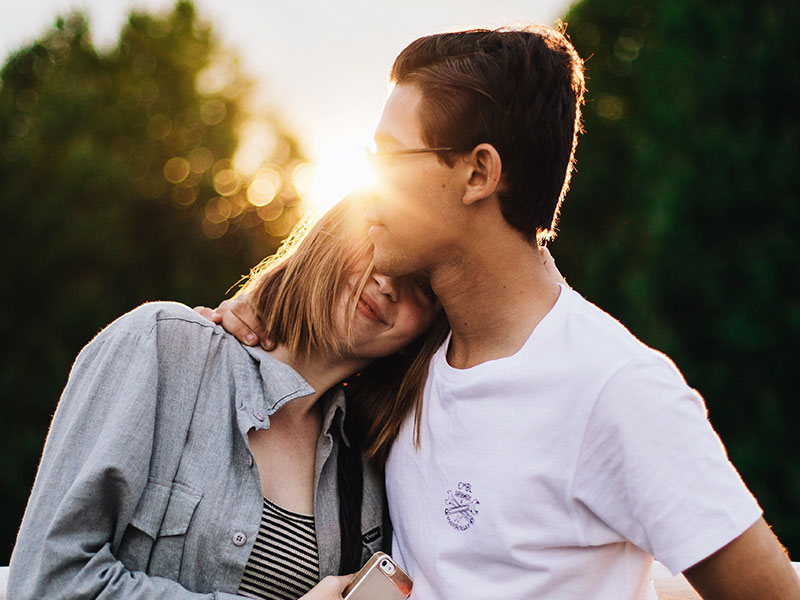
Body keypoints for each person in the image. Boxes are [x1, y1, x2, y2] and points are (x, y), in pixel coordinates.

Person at [210, 25, 800, 599]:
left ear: (478, 173)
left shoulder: (615, 389)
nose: (370, 180)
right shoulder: (410, 361)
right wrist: (268, 304)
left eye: (391, 155)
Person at [7, 195, 448, 600]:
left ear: (420, 335)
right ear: (333, 235)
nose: (389, 281)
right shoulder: (163, 348)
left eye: (424, 285)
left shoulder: (369, 472)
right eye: (379, 236)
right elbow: (46, 581)